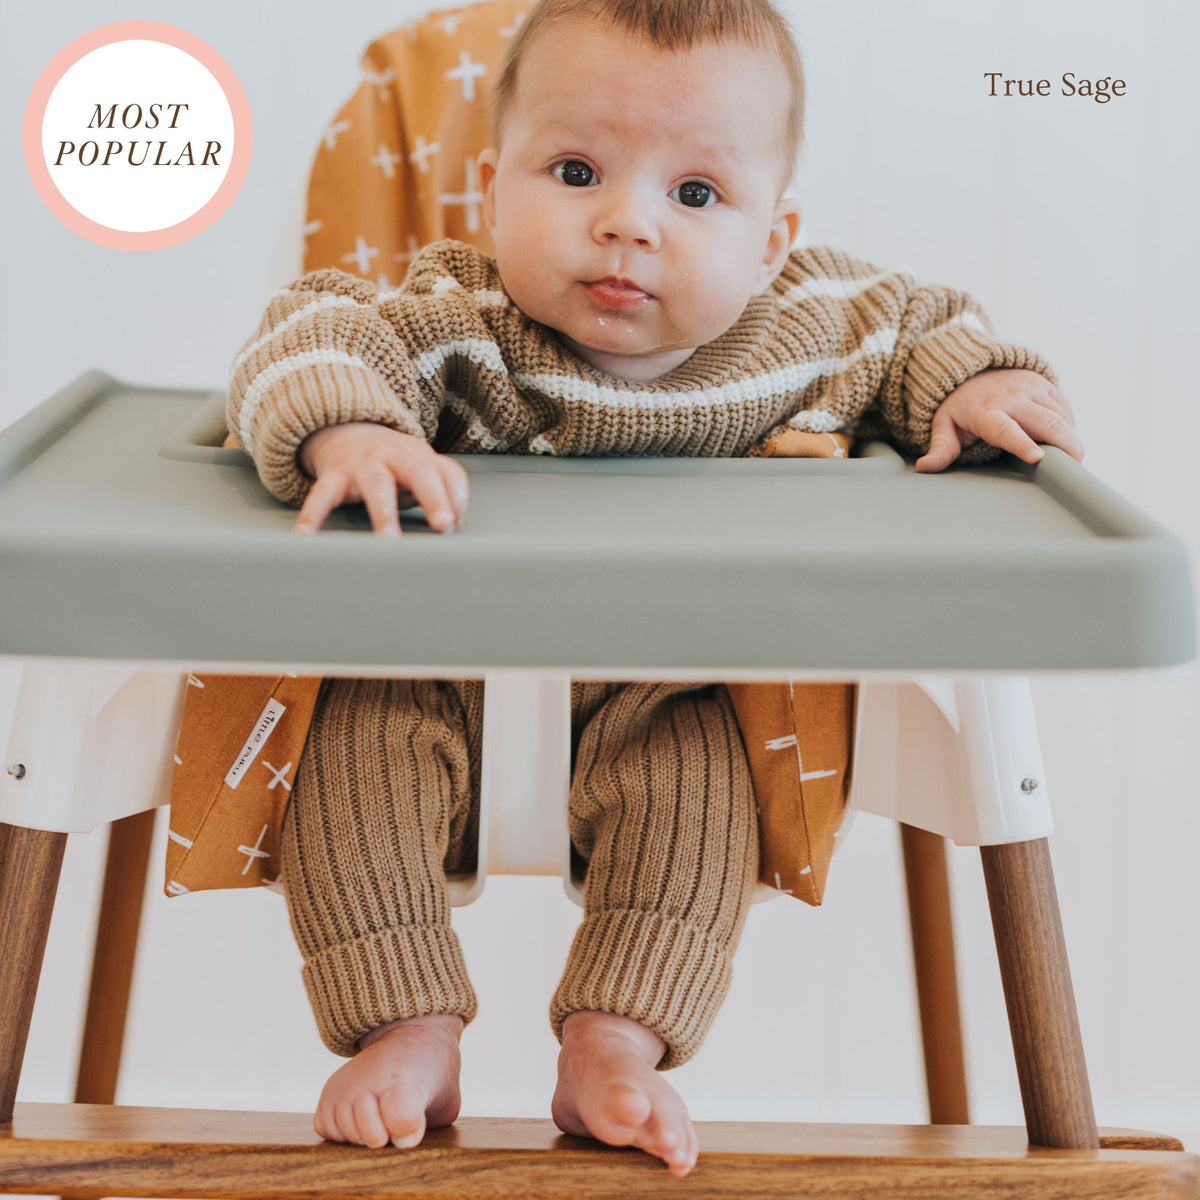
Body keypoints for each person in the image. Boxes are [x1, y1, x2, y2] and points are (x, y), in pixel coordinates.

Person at [227, 0, 1083, 1177]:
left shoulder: (807, 330)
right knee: (352, 758)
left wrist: (974, 386)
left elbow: (918, 324)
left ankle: (615, 1043)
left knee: (701, 803)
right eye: (576, 172)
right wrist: (351, 430)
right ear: (492, 190)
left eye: (694, 195)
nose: (627, 224)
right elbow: (310, 328)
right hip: (439, 679)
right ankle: (404, 1025)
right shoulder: (454, 324)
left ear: (773, 239)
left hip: (664, 692)